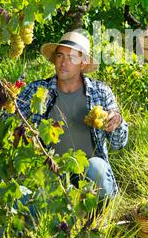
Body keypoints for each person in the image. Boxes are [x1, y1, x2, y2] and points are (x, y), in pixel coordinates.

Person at [16, 30, 128, 199]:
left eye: (72, 58)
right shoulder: (36, 91)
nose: (63, 63)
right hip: (52, 174)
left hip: (89, 175)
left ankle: (99, 216)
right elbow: (9, 122)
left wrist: (117, 123)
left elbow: (119, 144)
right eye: (60, 56)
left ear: (83, 63)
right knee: (22, 200)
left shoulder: (101, 92)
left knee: (97, 168)